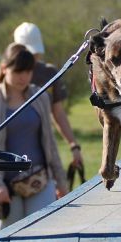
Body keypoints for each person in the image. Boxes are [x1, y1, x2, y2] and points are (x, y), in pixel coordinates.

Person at [0, 43, 68, 231]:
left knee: (44, 234)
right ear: (4, 68)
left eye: (28, 71)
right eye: (18, 71)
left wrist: (61, 181)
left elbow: (50, 143)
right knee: (10, 241)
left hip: (41, 181)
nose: (23, 77)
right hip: (7, 187)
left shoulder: (40, 96)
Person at [12, 22, 84, 169]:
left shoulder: (49, 73)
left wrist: (73, 145)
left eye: (34, 53)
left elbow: (58, 113)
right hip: (11, 153)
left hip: (44, 150)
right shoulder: (3, 75)